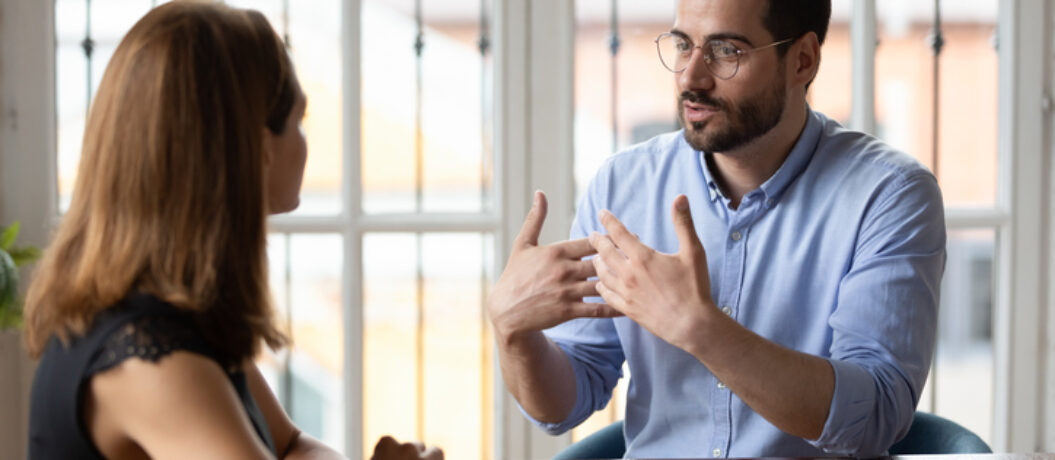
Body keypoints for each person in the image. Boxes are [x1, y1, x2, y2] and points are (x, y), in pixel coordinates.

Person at [486, 0, 946, 457]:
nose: (691, 77)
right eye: (683, 44)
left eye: (726, 51)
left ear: (802, 60)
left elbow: (875, 417)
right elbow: (568, 401)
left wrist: (699, 328)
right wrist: (514, 334)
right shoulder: (623, 185)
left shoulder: (890, 195)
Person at [23, 3, 441, 460]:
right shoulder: (151, 360)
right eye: (298, 121)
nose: (306, 144)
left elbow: (292, 444)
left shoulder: (178, 315)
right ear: (257, 148)